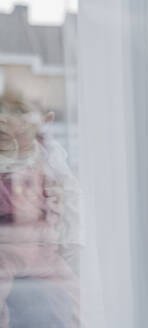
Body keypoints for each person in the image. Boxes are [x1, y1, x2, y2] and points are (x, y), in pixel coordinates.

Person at [0, 93, 81, 327]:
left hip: (39, 247)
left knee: (73, 294)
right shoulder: (11, 166)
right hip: (12, 246)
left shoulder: (43, 159)